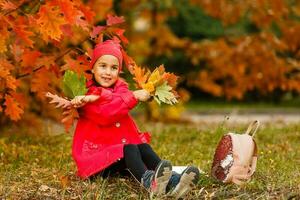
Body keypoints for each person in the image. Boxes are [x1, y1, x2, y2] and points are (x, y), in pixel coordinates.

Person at [70, 39, 200, 199]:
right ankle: (149, 182)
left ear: (118, 71)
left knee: (142, 147)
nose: (108, 72)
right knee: (129, 148)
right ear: (93, 68)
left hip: (116, 157)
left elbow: (117, 98)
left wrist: (145, 95)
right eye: (102, 66)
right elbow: (106, 114)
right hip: (95, 160)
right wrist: (134, 96)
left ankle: (174, 180)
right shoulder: (87, 96)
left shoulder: (121, 90)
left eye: (114, 67)